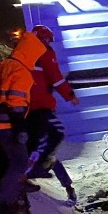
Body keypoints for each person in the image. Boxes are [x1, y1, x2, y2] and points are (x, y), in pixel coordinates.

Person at [0, 30, 47, 213]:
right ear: (30, 53)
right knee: (19, 161)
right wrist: (20, 129)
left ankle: (13, 186)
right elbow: (16, 104)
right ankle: (2, 202)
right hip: (6, 125)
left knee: (6, 158)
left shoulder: (1, 65)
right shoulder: (20, 71)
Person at [25, 25, 80, 204]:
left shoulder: (23, 54)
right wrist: (70, 96)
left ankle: (68, 188)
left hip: (23, 108)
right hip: (40, 107)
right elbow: (56, 78)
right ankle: (38, 169)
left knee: (39, 146)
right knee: (55, 135)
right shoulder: (45, 53)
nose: (49, 43)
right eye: (48, 40)